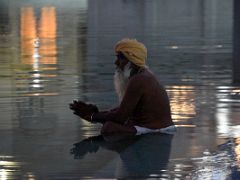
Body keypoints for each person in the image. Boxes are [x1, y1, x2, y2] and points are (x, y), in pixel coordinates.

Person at [69, 38, 176, 135]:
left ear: (131, 61)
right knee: (111, 120)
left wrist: (93, 117)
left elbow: (120, 117)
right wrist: (97, 114)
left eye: (120, 58)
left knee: (109, 128)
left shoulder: (139, 79)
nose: (116, 63)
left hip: (157, 130)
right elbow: (123, 109)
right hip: (151, 127)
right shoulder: (141, 75)